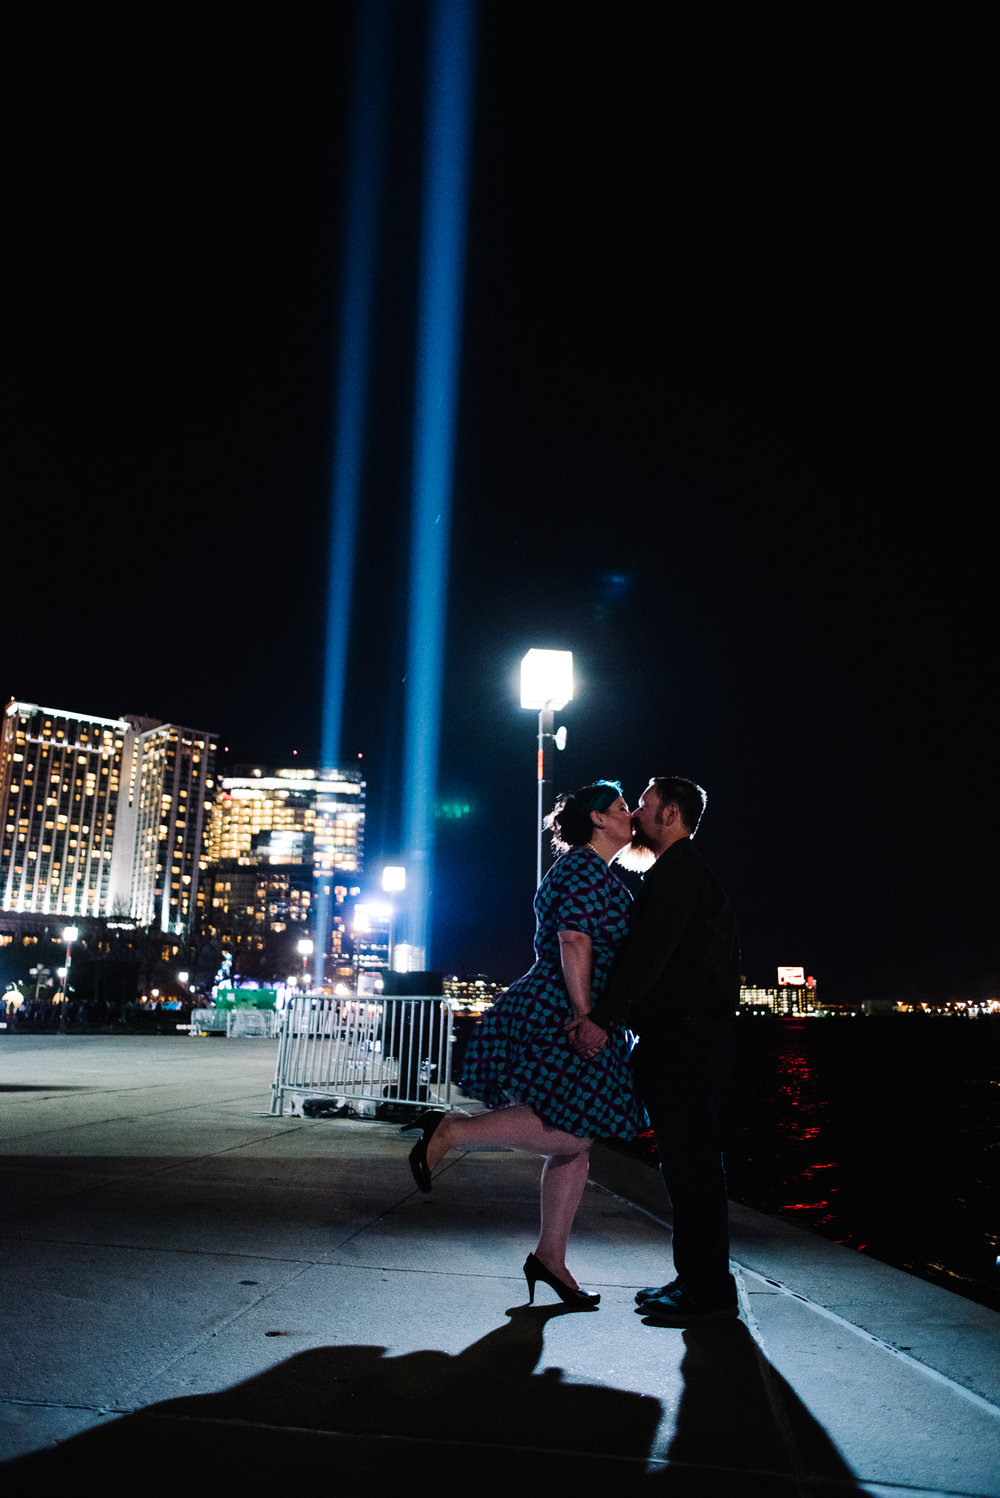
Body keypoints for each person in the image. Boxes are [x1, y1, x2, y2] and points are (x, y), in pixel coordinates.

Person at [407, 780, 645, 1308]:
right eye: (622, 808)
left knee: (577, 1145)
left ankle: (551, 1258)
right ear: (598, 819)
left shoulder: (591, 870)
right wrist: (586, 1014)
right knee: (572, 1134)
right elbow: (574, 938)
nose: (630, 815)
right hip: (561, 1009)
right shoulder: (583, 868)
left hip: (566, 1004)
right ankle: (451, 1130)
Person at [569, 776, 741, 1325]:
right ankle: (696, 1280)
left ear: (669, 814)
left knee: (691, 1168)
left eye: (643, 806)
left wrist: (600, 1019)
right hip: (691, 1039)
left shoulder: (677, 875)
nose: (637, 815)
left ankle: (707, 1294)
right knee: (688, 1166)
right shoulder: (683, 873)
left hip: (686, 1042)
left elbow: (646, 959)